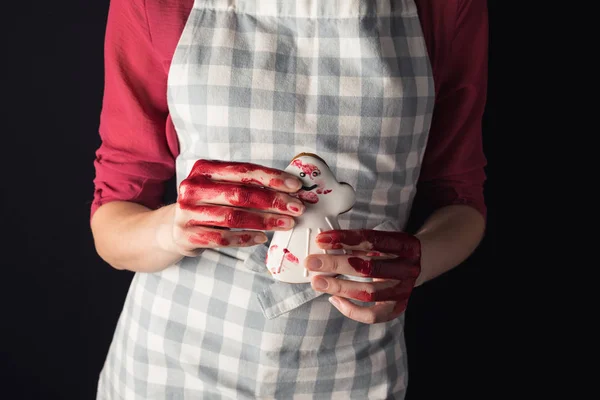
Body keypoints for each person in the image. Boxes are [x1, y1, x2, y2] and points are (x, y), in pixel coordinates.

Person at [90, 0, 489, 398]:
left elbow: (460, 199)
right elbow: (111, 227)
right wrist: (172, 231)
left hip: (351, 369)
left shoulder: (447, 7)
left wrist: (413, 263)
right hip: (171, 364)